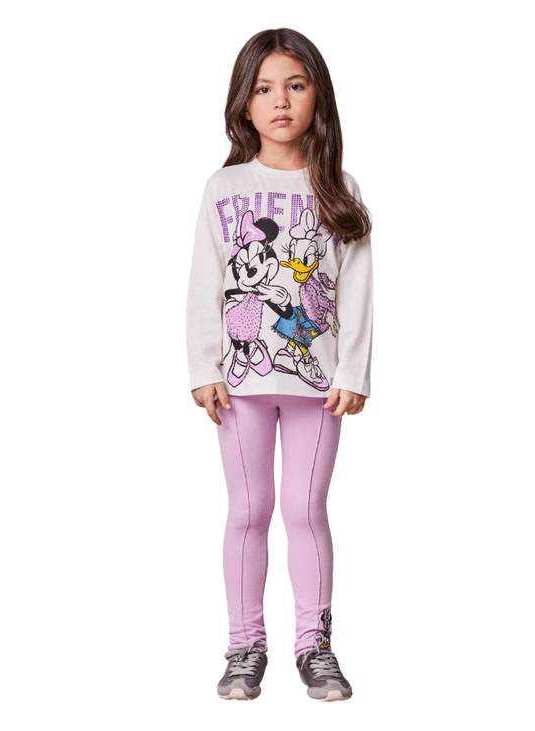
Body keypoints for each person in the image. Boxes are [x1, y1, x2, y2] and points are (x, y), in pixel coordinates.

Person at [185, 28, 373, 702]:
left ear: (318, 94)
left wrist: (353, 372)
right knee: (248, 508)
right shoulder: (224, 187)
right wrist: (202, 365)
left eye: (295, 85)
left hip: (317, 387)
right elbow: (206, 280)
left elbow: (356, 287)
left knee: (304, 508)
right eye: (264, 88)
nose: (281, 101)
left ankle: (314, 645)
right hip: (238, 385)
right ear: (244, 103)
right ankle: (244, 645)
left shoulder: (339, 188)